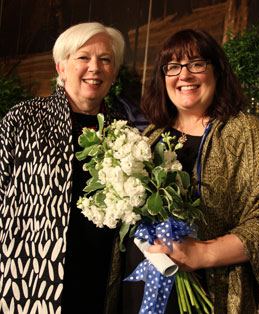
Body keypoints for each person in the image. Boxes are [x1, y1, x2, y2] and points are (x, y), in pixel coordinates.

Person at [122, 29, 259, 313]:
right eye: (173, 66)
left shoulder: (248, 134)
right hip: (138, 290)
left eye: (196, 64)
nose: (184, 75)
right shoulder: (150, 136)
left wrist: (203, 253)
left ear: (217, 71)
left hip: (211, 296)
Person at [0, 22, 144, 313]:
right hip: (32, 280)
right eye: (83, 57)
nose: (95, 67)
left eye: (105, 60)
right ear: (61, 67)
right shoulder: (23, 119)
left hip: (102, 281)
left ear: (114, 72)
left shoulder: (125, 131)